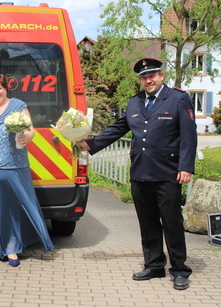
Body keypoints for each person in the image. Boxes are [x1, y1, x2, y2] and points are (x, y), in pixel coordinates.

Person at [77, 58, 197, 290]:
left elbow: (189, 135)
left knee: (171, 223)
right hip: (140, 173)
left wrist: (186, 166)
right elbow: (118, 128)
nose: (148, 80)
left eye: (152, 75)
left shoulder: (177, 98)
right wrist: (89, 144)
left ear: (161, 76)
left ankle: (180, 269)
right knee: (148, 222)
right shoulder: (135, 102)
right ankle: (154, 265)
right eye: (143, 77)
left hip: (168, 174)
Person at [0, 73, 54, 267]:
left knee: (12, 209)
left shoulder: (18, 106)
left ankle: (12, 249)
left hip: (14, 166)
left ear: (6, 89)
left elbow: (30, 129)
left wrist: (27, 137)